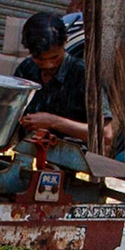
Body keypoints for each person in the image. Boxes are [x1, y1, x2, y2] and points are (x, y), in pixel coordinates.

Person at [13, 12, 114, 149]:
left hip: (73, 160)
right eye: (41, 60)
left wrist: (53, 122)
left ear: (65, 42)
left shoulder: (83, 75)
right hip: (27, 153)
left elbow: (106, 134)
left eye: (54, 57)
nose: (49, 65)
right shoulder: (26, 69)